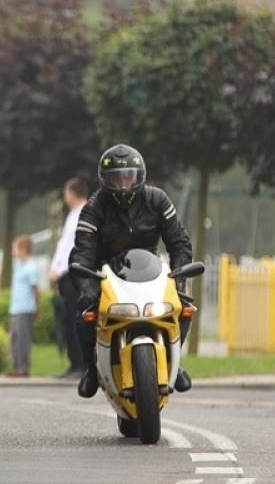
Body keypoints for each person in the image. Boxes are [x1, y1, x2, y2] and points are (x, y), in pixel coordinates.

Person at [70, 144, 194, 400]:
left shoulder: (157, 199)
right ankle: (91, 369)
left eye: (129, 177)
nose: (124, 184)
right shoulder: (94, 207)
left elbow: (179, 241)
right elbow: (83, 251)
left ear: (140, 177)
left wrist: (180, 278)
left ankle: (174, 360)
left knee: (184, 308)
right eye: (117, 178)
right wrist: (87, 287)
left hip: (150, 271)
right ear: (105, 180)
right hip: (107, 275)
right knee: (85, 317)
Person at [49, 177, 90, 378]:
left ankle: (82, 364)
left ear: (72, 193)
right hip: (65, 273)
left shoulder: (85, 213)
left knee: (77, 318)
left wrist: (60, 269)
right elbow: (63, 245)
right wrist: (54, 267)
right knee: (68, 319)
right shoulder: (72, 214)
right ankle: (74, 363)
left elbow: (75, 248)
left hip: (75, 273)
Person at [8, 233, 40, 377]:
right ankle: (16, 366)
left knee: (23, 339)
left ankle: (23, 368)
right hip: (15, 308)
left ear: (23, 248)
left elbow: (36, 289)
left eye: (15, 248)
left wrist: (38, 308)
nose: (13, 251)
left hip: (25, 308)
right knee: (14, 338)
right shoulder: (18, 266)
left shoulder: (31, 267)